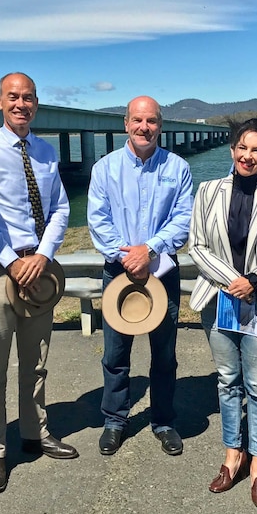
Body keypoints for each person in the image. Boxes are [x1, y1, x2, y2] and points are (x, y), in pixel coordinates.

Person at [0, 72, 78, 496]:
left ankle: (35, 432)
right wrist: (12, 261)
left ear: (36, 103)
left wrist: (42, 255)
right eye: (13, 97)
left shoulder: (45, 152)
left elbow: (60, 208)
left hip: (39, 268)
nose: (21, 104)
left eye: (28, 98)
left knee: (37, 359)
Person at [189, 118, 257, 508]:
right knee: (227, 381)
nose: (247, 156)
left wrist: (253, 279)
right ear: (232, 150)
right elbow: (198, 246)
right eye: (242, 148)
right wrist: (232, 279)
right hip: (219, 299)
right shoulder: (207, 191)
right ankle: (230, 456)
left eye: (256, 150)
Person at [87, 95, 193, 456]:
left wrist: (149, 250)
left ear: (160, 125)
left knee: (164, 354)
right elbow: (98, 221)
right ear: (126, 125)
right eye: (137, 120)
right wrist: (128, 254)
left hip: (162, 271)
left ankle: (163, 420)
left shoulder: (178, 168)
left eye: (151, 121)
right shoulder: (105, 169)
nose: (144, 127)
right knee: (115, 352)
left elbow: (183, 220)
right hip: (118, 271)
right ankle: (115, 419)